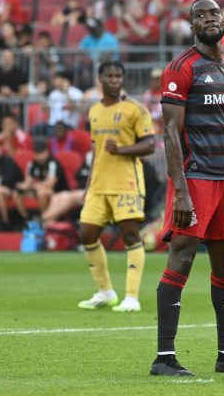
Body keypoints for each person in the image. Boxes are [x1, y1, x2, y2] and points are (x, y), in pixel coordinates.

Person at [152, 0, 224, 377]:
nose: (209, 19)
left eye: (214, 13)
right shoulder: (181, 68)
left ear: (223, 20)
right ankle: (164, 359)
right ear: (192, 26)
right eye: (200, 15)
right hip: (195, 178)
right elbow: (170, 133)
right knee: (182, 259)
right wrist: (181, 190)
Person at [77, 60, 155, 314]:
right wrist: (88, 186)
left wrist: (121, 149)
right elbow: (95, 150)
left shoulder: (136, 109)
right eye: (109, 76)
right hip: (99, 183)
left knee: (130, 236)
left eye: (118, 76)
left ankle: (131, 297)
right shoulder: (94, 111)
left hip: (127, 183)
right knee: (87, 234)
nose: (114, 80)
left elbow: (150, 145)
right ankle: (106, 292)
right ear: (100, 79)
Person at [13, 139, 67, 219]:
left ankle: (45, 219)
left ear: (47, 152)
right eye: (37, 153)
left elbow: (50, 183)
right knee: (16, 194)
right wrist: (22, 186)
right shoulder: (32, 163)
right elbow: (28, 180)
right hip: (36, 189)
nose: (39, 156)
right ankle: (26, 218)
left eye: (41, 153)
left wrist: (33, 186)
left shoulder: (53, 163)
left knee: (41, 193)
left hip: (56, 191)